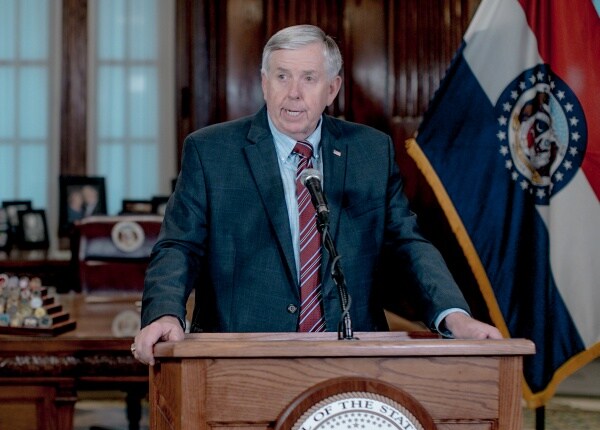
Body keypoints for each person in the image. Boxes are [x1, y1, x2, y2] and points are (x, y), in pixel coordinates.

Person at [132, 24, 502, 365]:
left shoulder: (370, 152)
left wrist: (454, 316)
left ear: (332, 88)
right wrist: (165, 312)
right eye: (282, 76)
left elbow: (406, 244)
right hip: (239, 356)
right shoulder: (212, 152)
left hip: (352, 357)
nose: (293, 92)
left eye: (309, 78)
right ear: (264, 83)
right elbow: (179, 246)